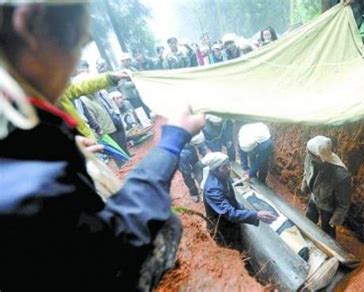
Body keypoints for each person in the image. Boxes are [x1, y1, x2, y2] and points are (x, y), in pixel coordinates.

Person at [0, 2, 205, 291]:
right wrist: (171, 141)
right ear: (30, 27)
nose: (73, 68)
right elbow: (112, 247)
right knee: (166, 225)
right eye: (79, 44)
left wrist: (63, 145)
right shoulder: (26, 169)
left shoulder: (19, 123)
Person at [202, 152, 276, 247]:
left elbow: (232, 201)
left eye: (228, 165)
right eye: (224, 167)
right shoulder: (213, 190)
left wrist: (247, 211)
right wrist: (256, 215)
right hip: (221, 227)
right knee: (231, 248)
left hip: (229, 222)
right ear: (215, 170)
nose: (229, 169)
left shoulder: (223, 177)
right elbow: (230, 213)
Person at [300, 136, 352, 239]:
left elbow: (344, 203)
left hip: (327, 207)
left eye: (309, 152)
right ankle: (305, 238)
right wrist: (304, 184)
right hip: (314, 198)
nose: (306, 152)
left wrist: (335, 220)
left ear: (319, 157)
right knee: (309, 220)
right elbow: (307, 172)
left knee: (327, 233)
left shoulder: (340, 176)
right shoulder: (310, 158)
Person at [178, 132, 207, 203]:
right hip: (180, 159)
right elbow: (184, 166)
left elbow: (201, 145)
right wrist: (190, 173)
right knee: (188, 177)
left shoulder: (194, 132)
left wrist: (204, 155)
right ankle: (194, 192)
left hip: (190, 149)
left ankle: (202, 185)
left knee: (197, 166)